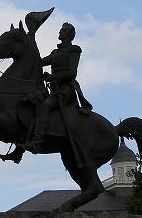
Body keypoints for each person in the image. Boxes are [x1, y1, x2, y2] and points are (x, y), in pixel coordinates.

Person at [25, 22, 92, 153]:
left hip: (66, 90)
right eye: (60, 30)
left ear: (69, 35)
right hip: (54, 90)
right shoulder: (55, 52)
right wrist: (31, 39)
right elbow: (38, 62)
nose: (60, 32)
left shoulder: (74, 50)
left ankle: (37, 142)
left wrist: (52, 77)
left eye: (63, 31)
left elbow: (72, 73)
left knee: (43, 105)